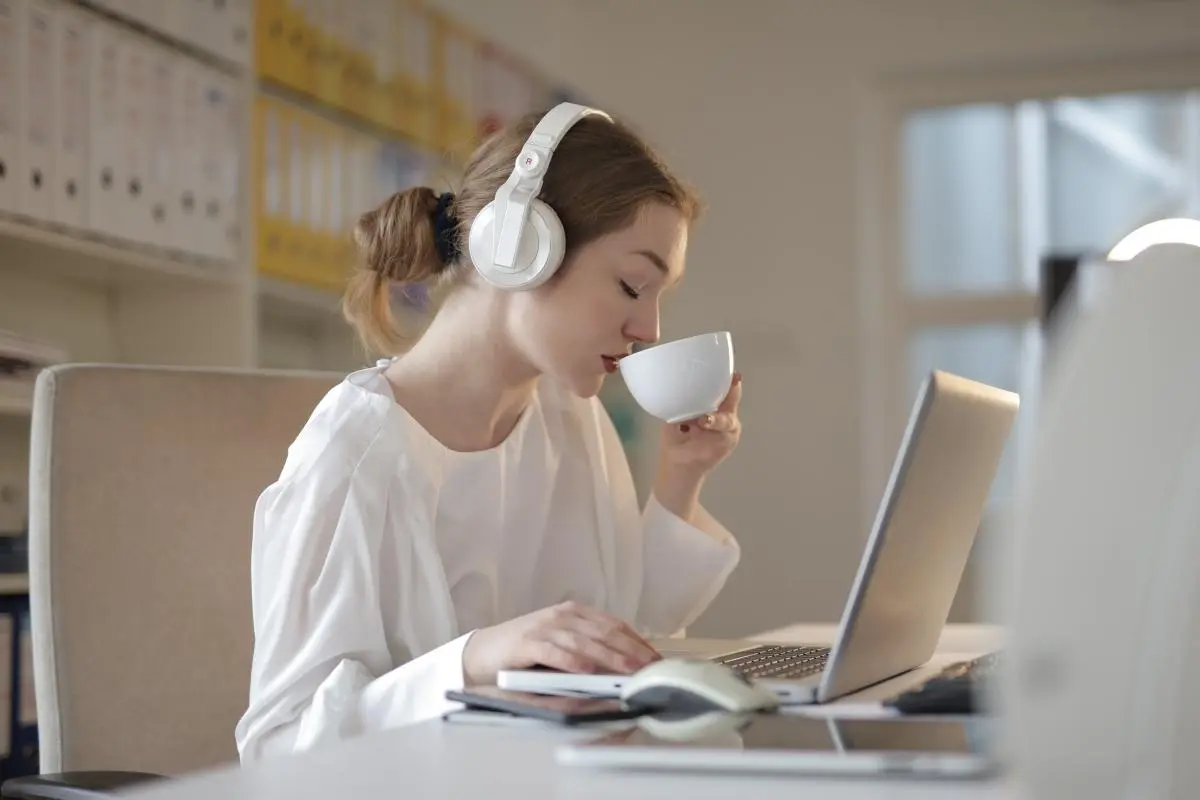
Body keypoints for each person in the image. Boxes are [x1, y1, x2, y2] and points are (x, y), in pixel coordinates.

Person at [234, 102, 744, 762]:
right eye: (630, 284)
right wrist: (472, 661)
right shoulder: (356, 456)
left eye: (658, 299)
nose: (648, 329)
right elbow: (277, 750)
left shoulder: (571, 418)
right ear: (518, 249)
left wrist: (681, 479)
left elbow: (614, 644)